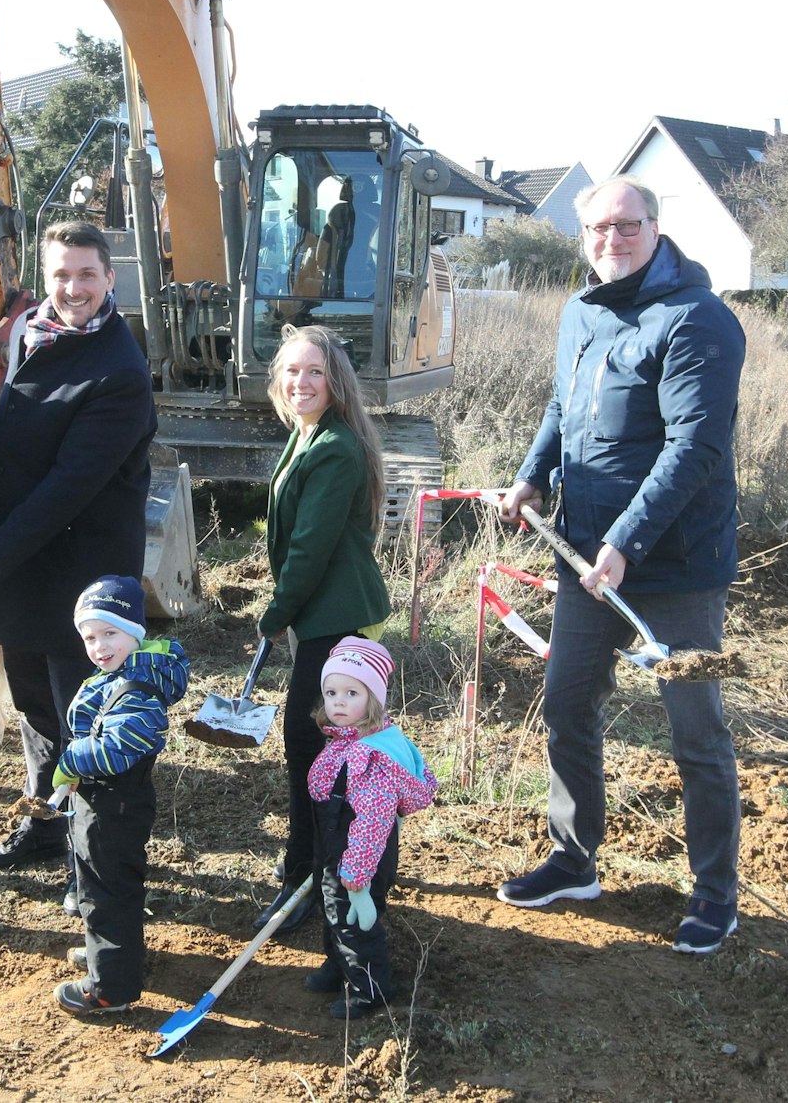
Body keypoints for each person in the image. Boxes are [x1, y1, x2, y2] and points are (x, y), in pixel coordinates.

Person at [494, 177, 747, 955]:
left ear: (656, 227)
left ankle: (715, 894)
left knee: (696, 732)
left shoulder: (698, 320)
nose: (613, 238)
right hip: (584, 558)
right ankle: (574, 858)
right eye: (599, 228)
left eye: (627, 225)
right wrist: (534, 474)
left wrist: (628, 540)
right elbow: (560, 407)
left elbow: (695, 447)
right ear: (584, 236)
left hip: (675, 568)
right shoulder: (581, 310)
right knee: (568, 704)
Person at [0, 221, 158, 874]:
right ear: (45, 277)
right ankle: (44, 822)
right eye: (61, 274)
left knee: (82, 715)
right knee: (35, 703)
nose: (73, 288)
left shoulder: (119, 371)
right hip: (26, 557)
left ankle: (87, 856)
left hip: (82, 570)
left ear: (110, 279)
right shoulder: (31, 334)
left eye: (87, 275)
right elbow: (14, 425)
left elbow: (67, 488)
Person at [254, 324, 392, 934]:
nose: (301, 382)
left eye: (315, 372)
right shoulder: (308, 435)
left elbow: (309, 549)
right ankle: (319, 870)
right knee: (316, 749)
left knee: (313, 750)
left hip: (337, 619)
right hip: (320, 615)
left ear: (336, 382)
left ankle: (309, 880)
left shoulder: (334, 446)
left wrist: (273, 614)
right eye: (292, 371)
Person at [50, 575, 190, 1016]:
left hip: (114, 804)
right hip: (102, 799)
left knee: (106, 889)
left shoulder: (136, 690)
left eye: (111, 633)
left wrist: (72, 760)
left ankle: (109, 987)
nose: (99, 645)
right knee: (99, 881)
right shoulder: (122, 673)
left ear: (135, 632)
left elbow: (115, 750)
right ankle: (109, 955)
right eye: (90, 637)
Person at [305, 637, 436, 1019]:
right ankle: (338, 967)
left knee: (353, 920)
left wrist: (356, 878)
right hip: (337, 849)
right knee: (331, 911)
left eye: (351, 692)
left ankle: (370, 989)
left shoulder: (371, 758)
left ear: (374, 700)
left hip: (358, 858)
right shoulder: (351, 739)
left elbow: (374, 821)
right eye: (331, 692)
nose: (338, 702)